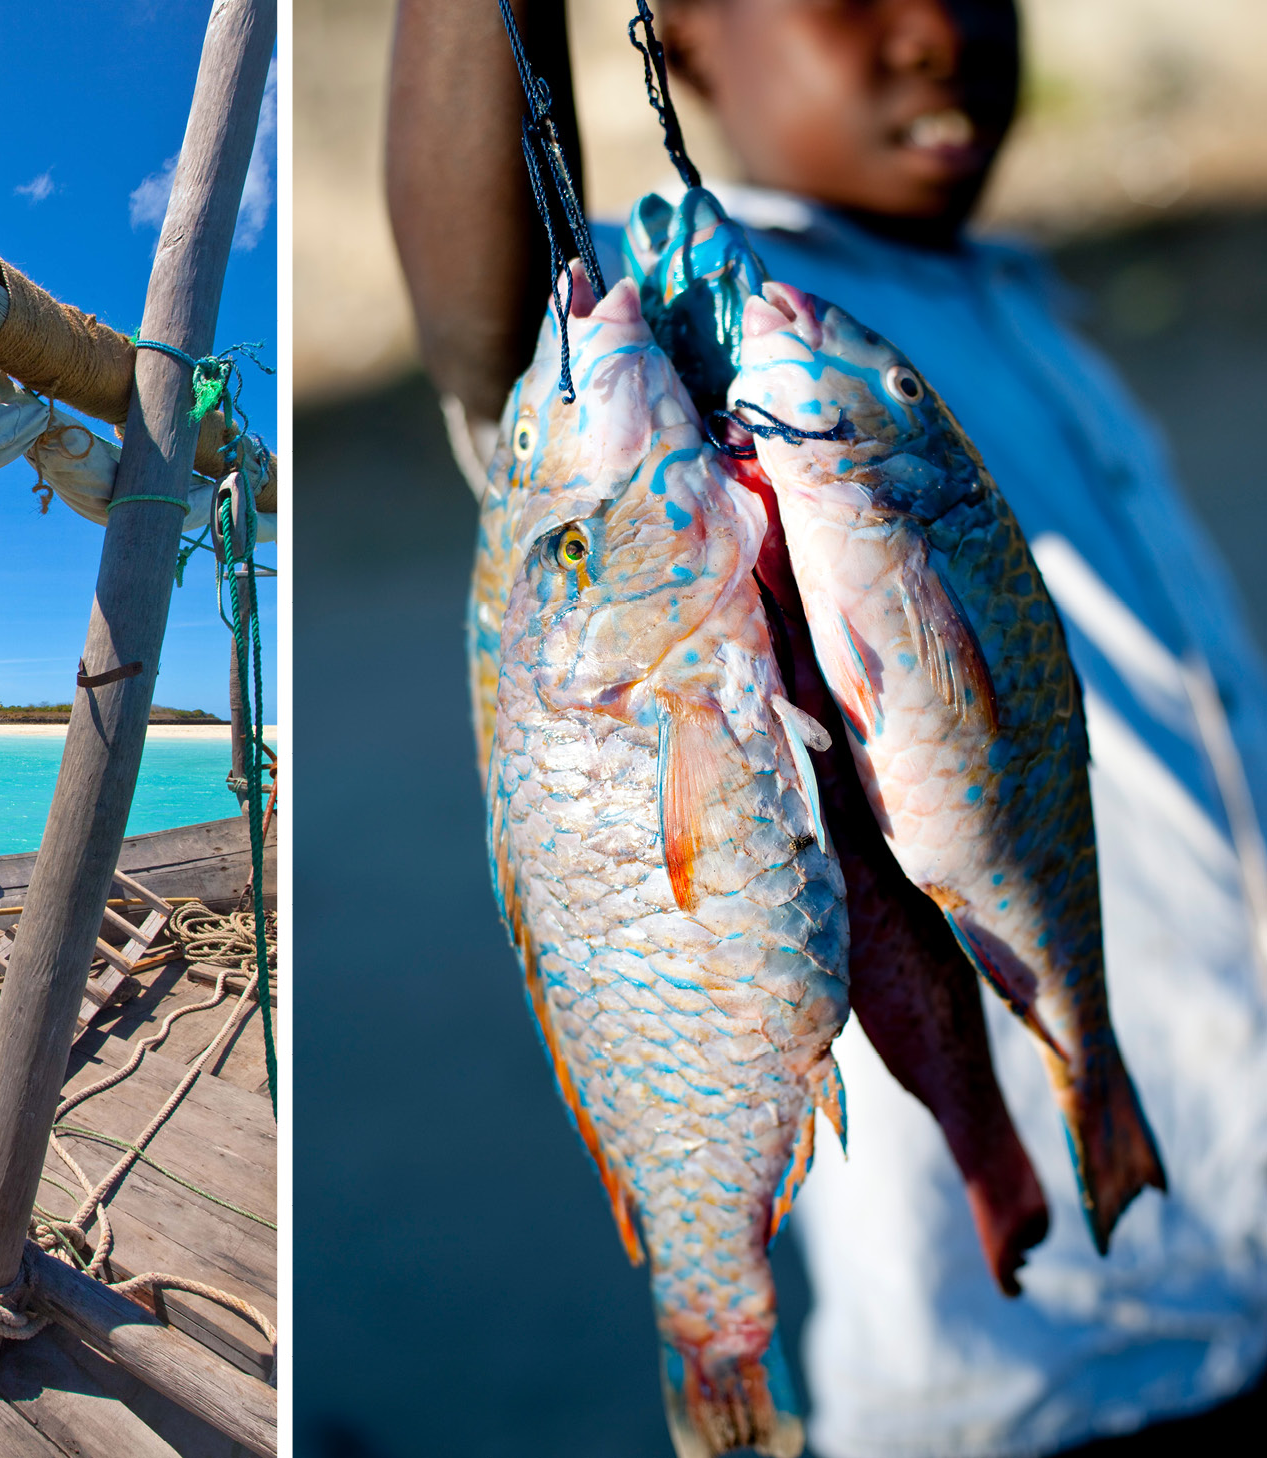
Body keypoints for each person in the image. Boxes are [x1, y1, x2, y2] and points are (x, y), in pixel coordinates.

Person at [385, 2, 1267, 1455]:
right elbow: (480, 312)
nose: (930, 29)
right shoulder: (705, 324)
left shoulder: (1018, 292)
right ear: (684, 40)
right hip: (1020, 1384)